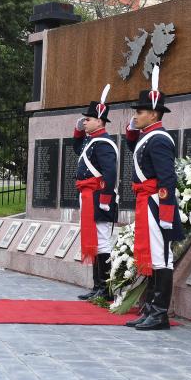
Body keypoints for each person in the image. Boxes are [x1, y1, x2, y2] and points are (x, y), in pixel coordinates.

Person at [124, 66, 182, 330]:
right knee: (152, 256)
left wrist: (166, 212)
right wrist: (133, 127)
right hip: (147, 202)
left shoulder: (159, 139)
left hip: (157, 204)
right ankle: (150, 308)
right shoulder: (147, 137)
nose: (135, 116)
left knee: (161, 257)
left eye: (139, 112)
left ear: (154, 114)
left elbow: (167, 178)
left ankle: (160, 313)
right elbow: (132, 145)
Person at [73, 85, 119, 302]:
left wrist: (106, 200)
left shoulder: (103, 143)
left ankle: (106, 288)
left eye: (89, 119)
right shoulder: (90, 141)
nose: (85, 122)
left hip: (100, 198)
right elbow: (77, 151)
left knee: (102, 242)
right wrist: (77, 130)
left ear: (100, 121)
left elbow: (110, 174)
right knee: (93, 240)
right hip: (89, 196)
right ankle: (97, 286)